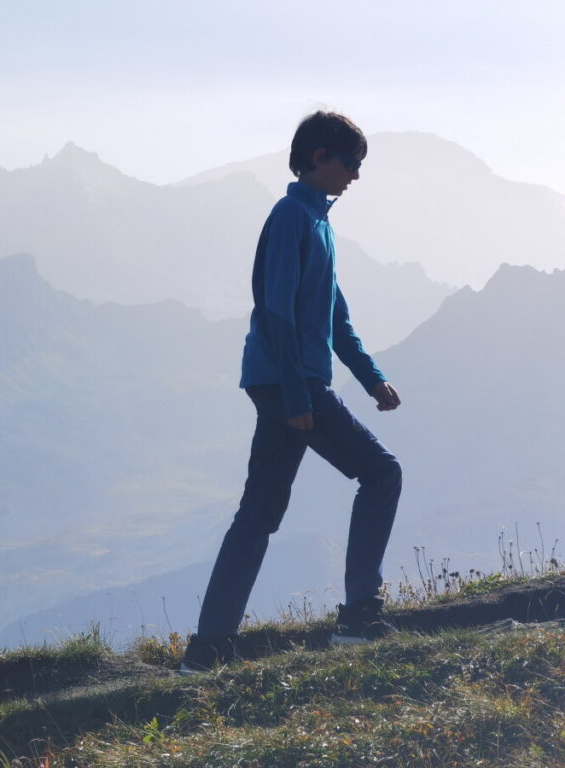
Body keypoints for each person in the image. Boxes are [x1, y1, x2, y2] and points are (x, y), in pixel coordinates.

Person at [181, 112, 403, 673]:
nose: (355, 176)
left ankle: (208, 651)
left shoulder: (317, 223)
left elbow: (335, 316)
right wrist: (300, 398)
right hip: (289, 384)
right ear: (320, 156)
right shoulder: (291, 218)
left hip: (284, 382)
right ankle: (359, 617)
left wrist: (372, 379)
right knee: (381, 474)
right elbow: (276, 311)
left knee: (258, 513)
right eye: (352, 164)